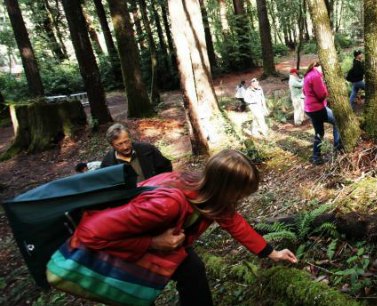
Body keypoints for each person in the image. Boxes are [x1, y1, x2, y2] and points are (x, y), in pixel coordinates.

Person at [71, 150, 298, 306]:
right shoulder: (168, 204)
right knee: (136, 294)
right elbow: (89, 234)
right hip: (121, 251)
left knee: (192, 269)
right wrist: (152, 243)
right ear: (225, 188)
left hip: (159, 244)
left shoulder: (207, 195)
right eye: (241, 193)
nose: (242, 199)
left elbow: (234, 222)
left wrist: (271, 253)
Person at [101, 123, 172, 182]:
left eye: (127, 141)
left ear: (130, 138)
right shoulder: (107, 164)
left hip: (154, 194)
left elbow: (166, 168)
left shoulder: (147, 150)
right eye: (119, 144)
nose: (125, 147)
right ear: (112, 145)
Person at [303, 61, 341, 165]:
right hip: (317, 108)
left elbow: (304, 92)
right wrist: (327, 91)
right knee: (337, 120)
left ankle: (316, 157)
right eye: (322, 68)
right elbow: (321, 94)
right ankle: (338, 148)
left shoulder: (307, 75)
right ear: (318, 66)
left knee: (319, 133)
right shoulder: (315, 75)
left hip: (309, 109)